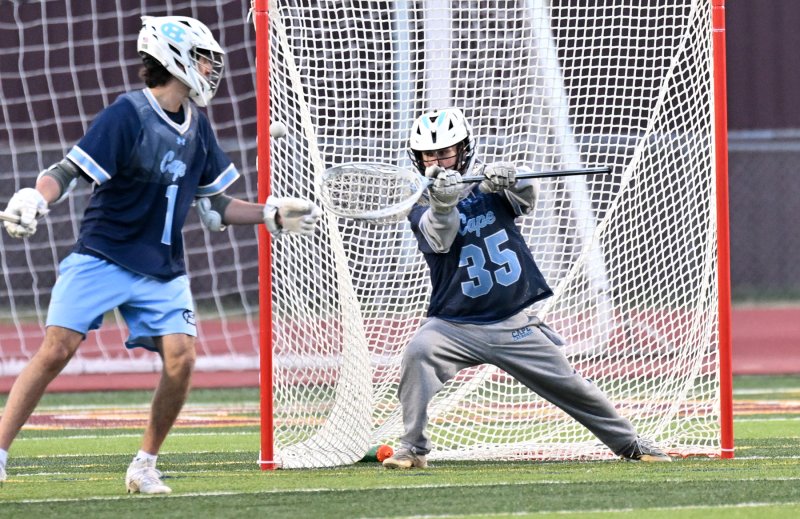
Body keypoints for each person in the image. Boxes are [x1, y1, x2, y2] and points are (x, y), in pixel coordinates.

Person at [0, 15, 321, 493]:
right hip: (103, 254)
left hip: (161, 268)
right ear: (175, 59)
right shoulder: (127, 115)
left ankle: (144, 464)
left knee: (181, 359)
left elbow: (217, 207)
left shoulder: (200, 128)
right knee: (56, 349)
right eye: (204, 58)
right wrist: (35, 197)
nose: (212, 68)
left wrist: (270, 214)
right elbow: (69, 171)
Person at [381, 108, 671, 469]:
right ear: (419, 158)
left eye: (446, 152)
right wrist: (444, 202)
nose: (439, 161)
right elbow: (441, 238)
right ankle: (412, 448)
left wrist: (507, 176)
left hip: (513, 323)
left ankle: (630, 443)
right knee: (418, 353)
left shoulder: (488, 187)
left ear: (464, 150)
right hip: (453, 325)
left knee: (570, 384)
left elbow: (526, 196)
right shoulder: (420, 203)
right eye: (430, 155)